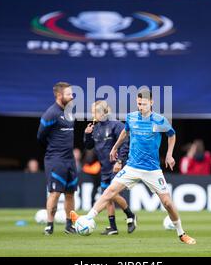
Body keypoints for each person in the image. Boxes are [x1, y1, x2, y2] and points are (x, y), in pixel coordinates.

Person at [70, 90, 196, 245]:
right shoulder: (131, 117)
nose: (141, 106)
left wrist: (169, 154)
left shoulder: (159, 120)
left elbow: (171, 134)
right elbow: (125, 132)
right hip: (132, 166)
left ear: (151, 103)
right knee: (109, 191)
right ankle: (87, 218)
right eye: (138, 103)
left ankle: (181, 233)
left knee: (168, 203)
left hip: (152, 169)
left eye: (143, 104)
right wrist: (115, 147)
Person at [84, 100, 136, 235]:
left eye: (95, 112)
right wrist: (87, 134)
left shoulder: (117, 125)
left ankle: (130, 215)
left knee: (110, 193)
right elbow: (89, 146)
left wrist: (120, 161)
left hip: (116, 165)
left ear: (104, 111)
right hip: (104, 167)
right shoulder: (95, 127)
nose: (93, 115)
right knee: (108, 196)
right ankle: (113, 227)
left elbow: (126, 143)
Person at [37, 82, 77, 235]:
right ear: (59, 96)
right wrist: (54, 151)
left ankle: (69, 225)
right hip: (56, 159)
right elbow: (40, 136)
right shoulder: (51, 113)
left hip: (70, 159)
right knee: (55, 192)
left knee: (70, 193)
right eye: (69, 94)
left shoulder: (69, 111)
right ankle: (49, 225)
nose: (72, 96)